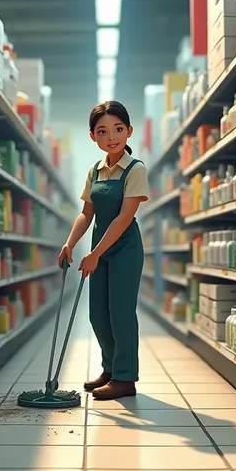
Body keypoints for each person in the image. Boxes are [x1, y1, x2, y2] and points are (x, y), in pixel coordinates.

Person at [58, 101, 149, 400]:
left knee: (121, 313)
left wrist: (95, 253)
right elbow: (87, 213)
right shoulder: (95, 171)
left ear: (129, 131)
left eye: (118, 129)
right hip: (100, 247)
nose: (112, 136)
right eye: (103, 131)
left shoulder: (136, 169)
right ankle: (110, 369)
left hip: (124, 248)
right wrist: (70, 243)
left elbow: (124, 217)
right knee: (98, 313)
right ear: (93, 137)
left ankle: (125, 379)